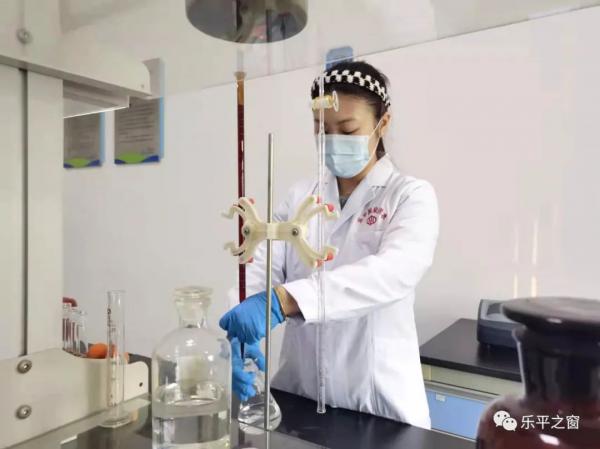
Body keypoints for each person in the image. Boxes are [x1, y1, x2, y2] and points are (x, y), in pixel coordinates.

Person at [220, 61, 439, 429]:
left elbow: (393, 273)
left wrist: (285, 300)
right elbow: (263, 266)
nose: (333, 140)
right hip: (299, 398)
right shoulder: (301, 196)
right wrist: (240, 327)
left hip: (378, 406)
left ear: (383, 123)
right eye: (322, 129)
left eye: (348, 129)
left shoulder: (410, 196)